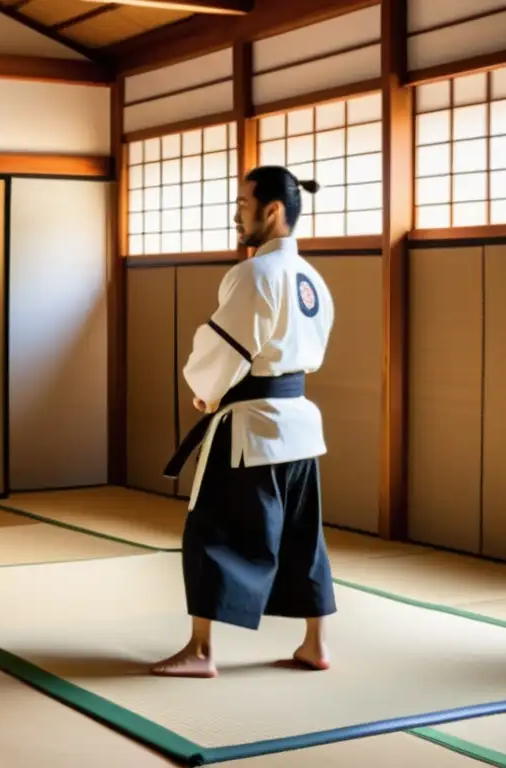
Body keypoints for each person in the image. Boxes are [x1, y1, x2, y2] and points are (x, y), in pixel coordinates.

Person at [153, 165, 336, 679]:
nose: (238, 214)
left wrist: (206, 391)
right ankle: (315, 644)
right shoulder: (312, 280)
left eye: (244, 203)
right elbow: (306, 353)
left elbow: (227, 346)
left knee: (209, 529)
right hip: (300, 426)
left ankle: (201, 650)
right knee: (303, 535)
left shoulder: (257, 273)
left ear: (272, 210)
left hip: (252, 429)